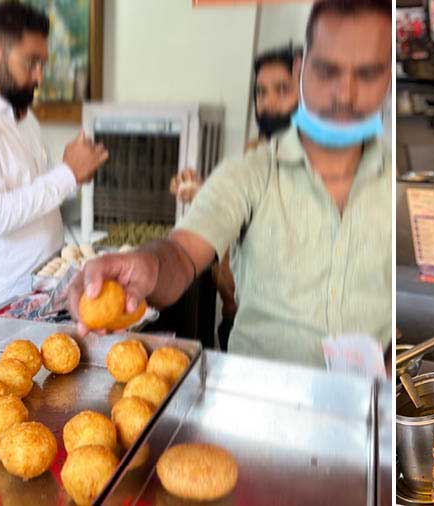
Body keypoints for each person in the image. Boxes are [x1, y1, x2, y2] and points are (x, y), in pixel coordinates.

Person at [71, 0, 392, 369]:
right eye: (327, 71)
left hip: (372, 405)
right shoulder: (248, 172)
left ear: (388, 78)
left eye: (368, 74)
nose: (345, 95)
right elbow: (182, 253)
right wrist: (147, 267)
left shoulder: (394, 185)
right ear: (302, 68)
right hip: (259, 397)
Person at [0, 2, 108, 323]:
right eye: (32, 62)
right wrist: (66, 175)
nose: (40, 76)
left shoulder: (24, 116)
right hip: (1, 312)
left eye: (43, 64)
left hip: (47, 298)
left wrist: (74, 176)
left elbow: (38, 196)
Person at [168, 44, 304, 351]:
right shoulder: (253, 154)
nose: (267, 103)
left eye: (282, 90)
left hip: (286, 340)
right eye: (261, 92)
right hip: (238, 321)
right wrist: (206, 197)